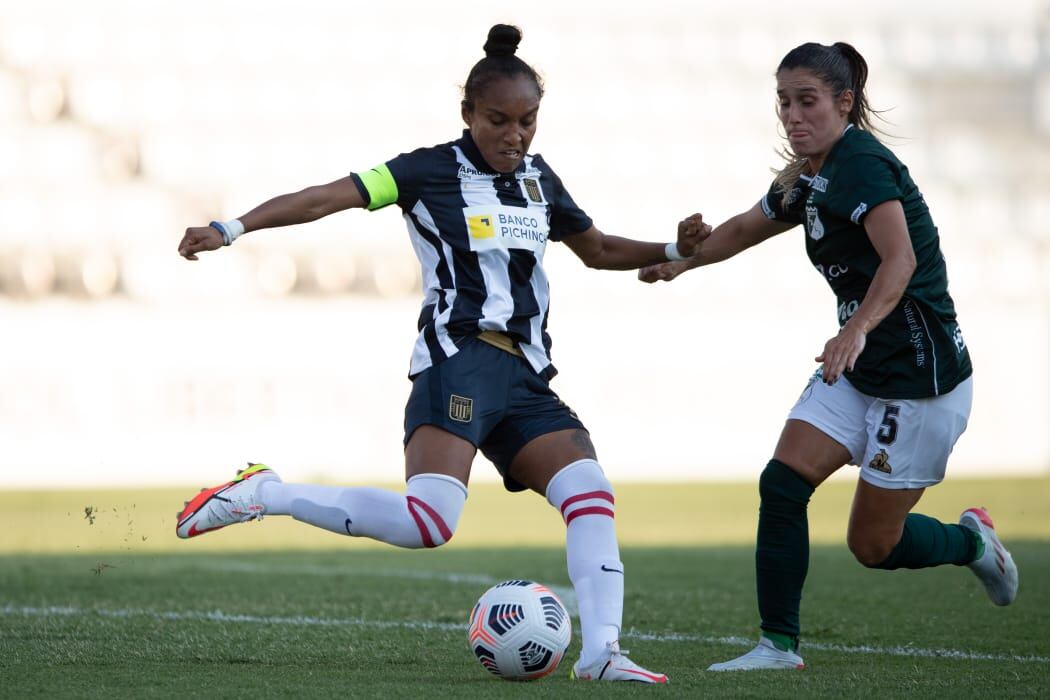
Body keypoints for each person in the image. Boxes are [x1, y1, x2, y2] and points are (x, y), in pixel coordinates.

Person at [175, 24, 702, 683]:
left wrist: (674, 250)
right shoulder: (427, 171)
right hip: (459, 359)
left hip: (525, 372)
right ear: (468, 116)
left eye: (528, 121)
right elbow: (322, 198)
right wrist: (233, 227)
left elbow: (597, 250)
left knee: (590, 494)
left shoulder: (539, 180)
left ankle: (601, 653)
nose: (515, 135)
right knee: (430, 522)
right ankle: (267, 494)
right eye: (499, 120)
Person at [640, 41, 1018, 671]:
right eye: (784, 102)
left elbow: (902, 261)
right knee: (782, 482)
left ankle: (970, 542)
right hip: (861, 368)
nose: (792, 115)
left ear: (844, 103)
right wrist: (679, 262)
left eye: (807, 101)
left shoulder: (861, 165)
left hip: (919, 379)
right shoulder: (808, 173)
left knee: (872, 545)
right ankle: (777, 646)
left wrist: (856, 329)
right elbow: (740, 228)